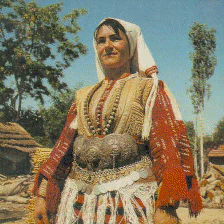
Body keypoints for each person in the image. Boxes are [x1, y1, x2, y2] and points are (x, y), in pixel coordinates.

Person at [33, 18, 202, 224]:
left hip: (131, 203)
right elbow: (63, 149)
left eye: (115, 39)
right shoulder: (82, 95)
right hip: (78, 203)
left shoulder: (149, 89)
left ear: (130, 46)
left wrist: (166, 207)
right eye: (101, 41)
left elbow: (165, 149)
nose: (108, 46)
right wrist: (43, 196)